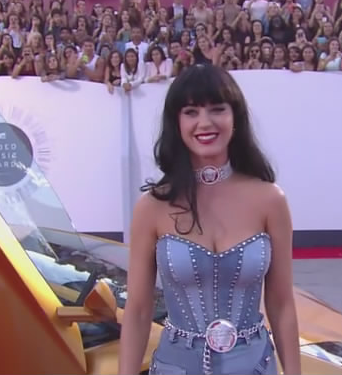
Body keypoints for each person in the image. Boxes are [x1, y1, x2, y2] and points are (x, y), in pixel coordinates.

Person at [118, 64, 301, 375]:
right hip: (176, 367)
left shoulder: (270, 200)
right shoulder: (151, 207)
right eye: (191, 112)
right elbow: (137, 310)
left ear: (235, 118)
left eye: (217, 109)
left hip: (254, 367)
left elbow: (282, 304)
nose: (205, 122)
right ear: (176, 122)